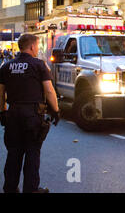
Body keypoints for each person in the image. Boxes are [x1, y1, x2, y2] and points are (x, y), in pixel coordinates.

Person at [0, 34, 60, 193]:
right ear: (32, 47)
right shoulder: (38, 65)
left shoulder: (6, 66)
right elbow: (49, 90)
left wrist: (2, 111)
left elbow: (0, 92)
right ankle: (31, 189)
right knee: (32, 153)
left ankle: (10, 188)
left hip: (13, 114)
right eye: (37, 46)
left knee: (14, 154)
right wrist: (56, 110)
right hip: (32, 115)